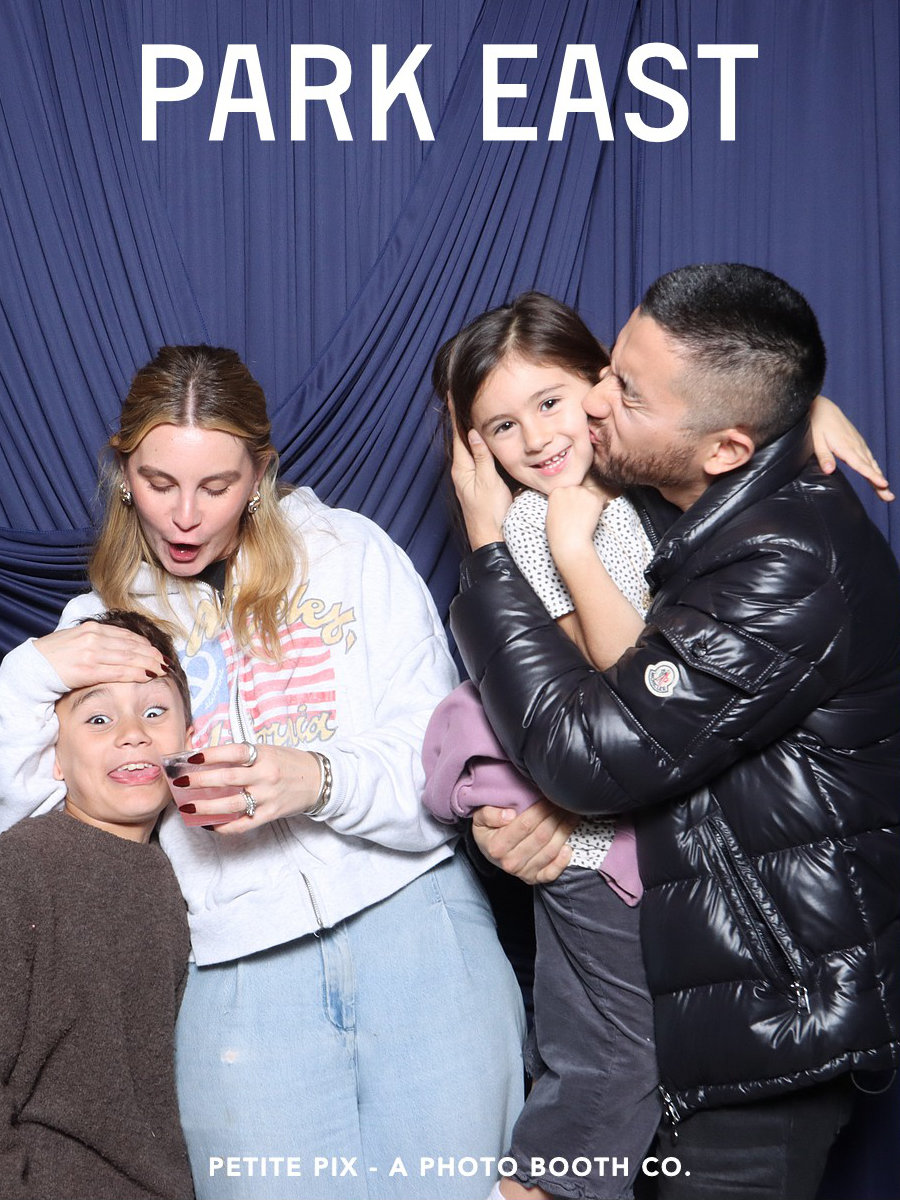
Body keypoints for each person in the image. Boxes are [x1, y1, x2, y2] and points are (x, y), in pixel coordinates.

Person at [0, 345, 525, 1200]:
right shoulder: (99, 624)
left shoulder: (349, 552)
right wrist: (27, 673)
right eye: (159, 482)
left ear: (260, 475)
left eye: (216, 486)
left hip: (419, 930)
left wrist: (315, 779)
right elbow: (32, 822)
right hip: (237, 976)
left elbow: (442, 767)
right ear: (124, 474)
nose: (185, 516)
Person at [447, 265, 900, 1200]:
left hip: (771, 997)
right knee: (596, 1083)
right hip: (696, 948)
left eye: (615, 391)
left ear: (727, 446)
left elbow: (600, 746)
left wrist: (498, 553)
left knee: (599, 1096)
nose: (588, 411)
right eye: (609, 371)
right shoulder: (680, 483)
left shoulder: (780, 560)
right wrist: (804, 410)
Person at [425, 293, 659, 1200]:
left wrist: (813, 412)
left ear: (603, 381)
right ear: (477, 449)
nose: (536, 438)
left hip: (629, 837)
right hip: (592, 846)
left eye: (550, 402)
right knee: (608, 1067)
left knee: (602, 1058)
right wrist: (566, 538)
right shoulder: (539, 522)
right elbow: (597, 691)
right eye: (502, 427)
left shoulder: (630, 493)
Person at [0, 609, 195, 1200]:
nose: (133, 733)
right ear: (54, 758)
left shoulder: (189, 878)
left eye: (155, 712)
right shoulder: (21, 866)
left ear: (189, 738)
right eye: (99, 718)